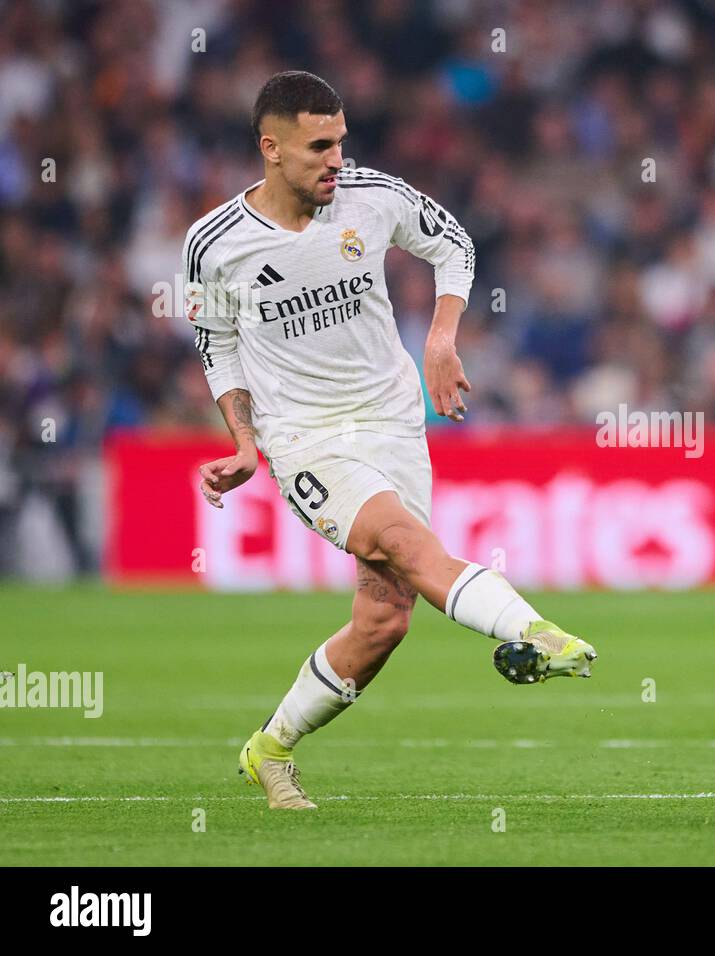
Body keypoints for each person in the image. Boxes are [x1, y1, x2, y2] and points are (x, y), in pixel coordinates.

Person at [181, 71, 597, 810]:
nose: (336, 159)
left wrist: (441, 338)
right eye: (319, 146)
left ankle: (270, 749)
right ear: (271, 149)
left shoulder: (371, 197)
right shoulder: (215, 245)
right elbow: (218, 344)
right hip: (307, 439)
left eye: (341, 141)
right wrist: (245, 443)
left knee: (383, 621)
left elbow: (454, 245)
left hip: (395, 422)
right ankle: (536, 631)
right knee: (405, 543)